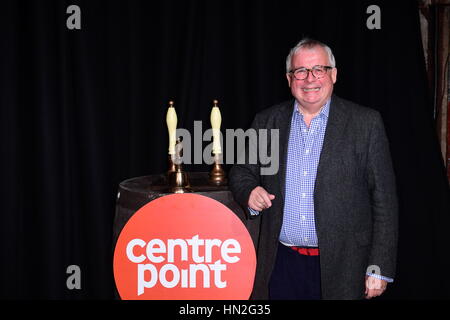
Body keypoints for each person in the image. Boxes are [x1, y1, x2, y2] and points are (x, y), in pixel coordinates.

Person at [229, 38, 398, 300]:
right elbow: (241, 171)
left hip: (345, 266)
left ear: (334, 74)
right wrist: (249, 191)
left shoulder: (365, 123)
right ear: (289, 79)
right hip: (281, 263)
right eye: (301, 71)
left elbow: (385, 200)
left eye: (319, 69)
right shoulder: (267, 121)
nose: (310, 79)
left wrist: (379, 267)